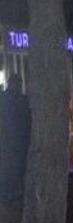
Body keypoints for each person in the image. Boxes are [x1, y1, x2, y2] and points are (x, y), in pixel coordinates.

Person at [0, 74, 31, 210]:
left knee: (8, 169)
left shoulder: (4, 100)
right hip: (19, 141)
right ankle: (15, 194)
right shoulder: (22, 100)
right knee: (18, 169)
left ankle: (7, 195)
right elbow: (28, 121)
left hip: (7, 141)